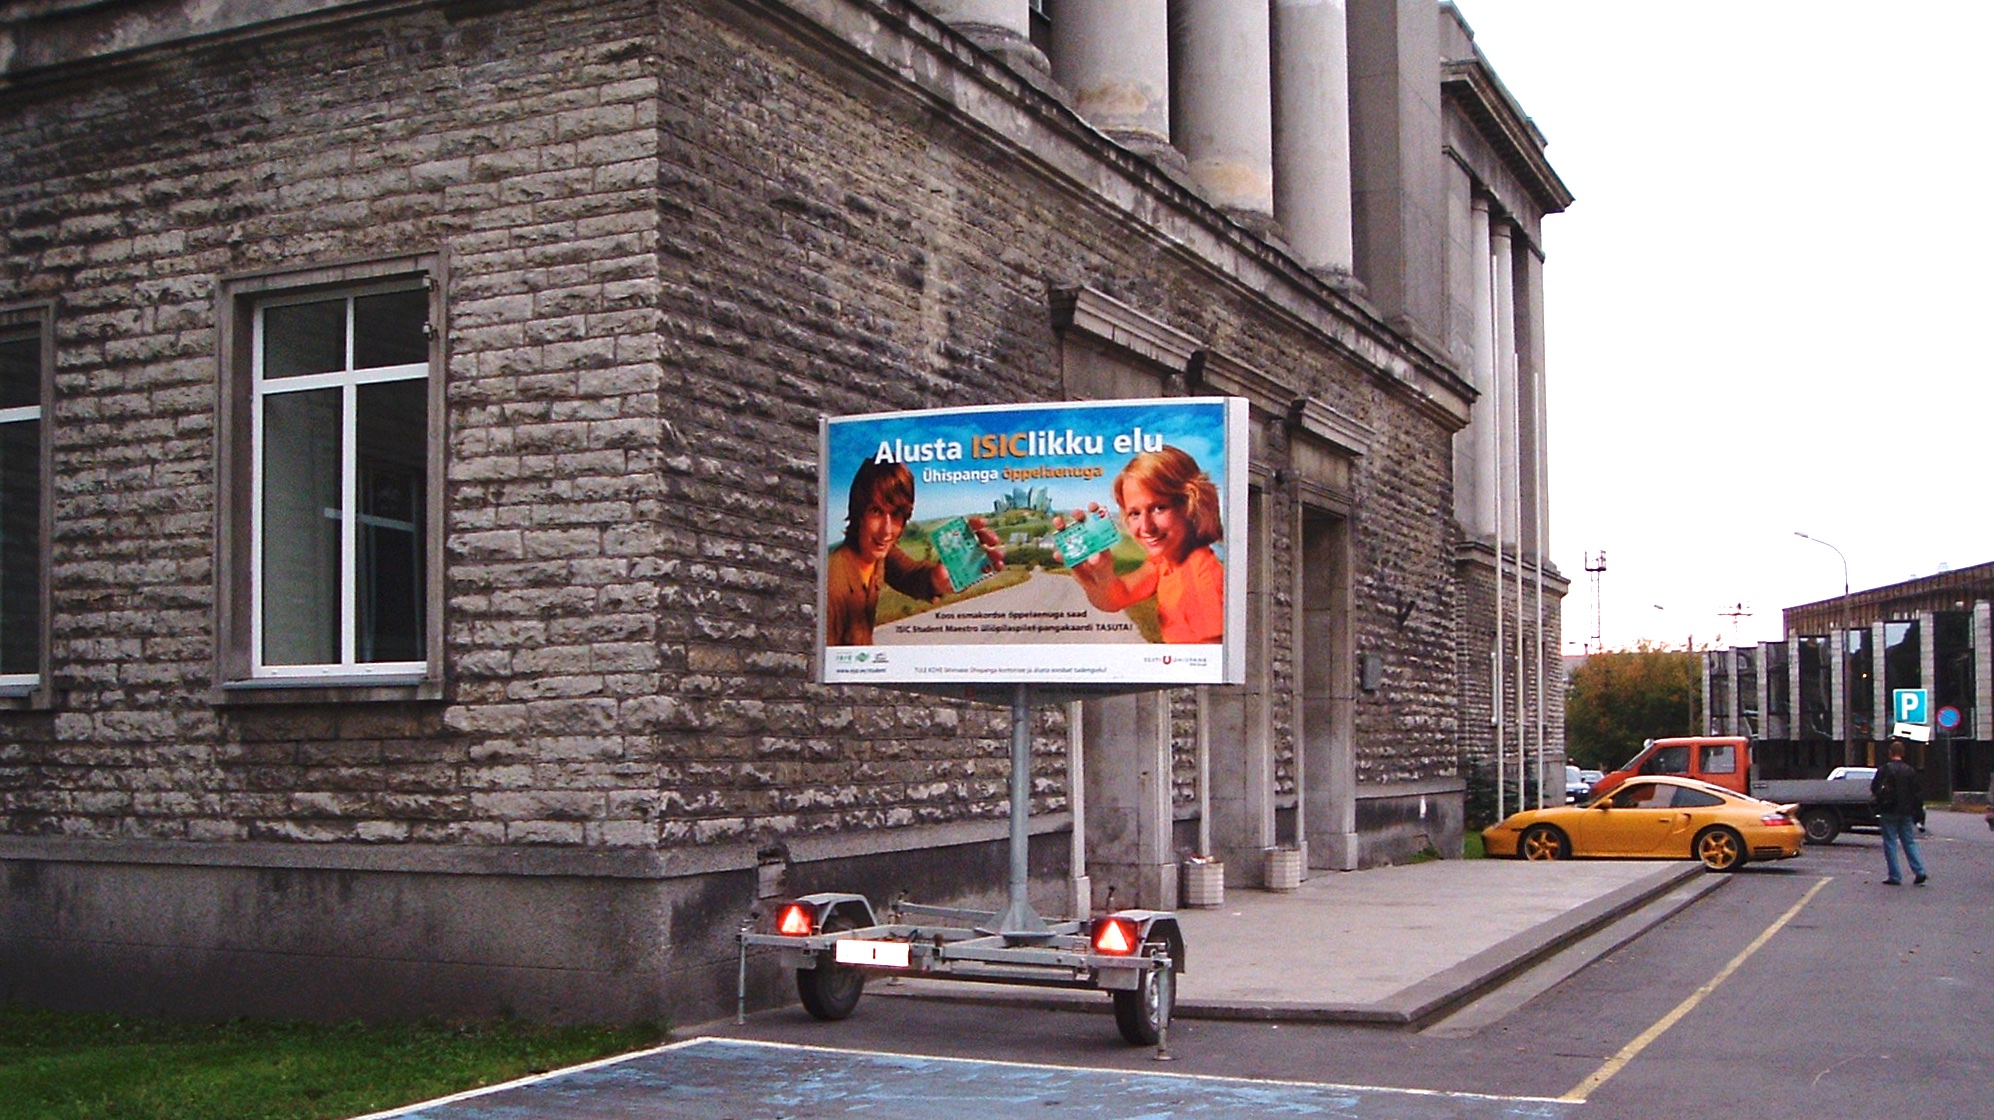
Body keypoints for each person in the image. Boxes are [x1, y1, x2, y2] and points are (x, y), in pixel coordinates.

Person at [824, 456, 1000, 646]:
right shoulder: (831, 586)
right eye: (876, 511)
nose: (887, 531)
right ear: (858, 512)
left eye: (897, 515)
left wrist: (936, 579)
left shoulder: (878, 554)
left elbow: (908, 573)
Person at [1058, 445, 1224, 644]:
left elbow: (1213, 658)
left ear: (1191, 505)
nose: (1146, 527)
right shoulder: (1164, 561)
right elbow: (1116, 598)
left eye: (1159, 508)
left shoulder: (1202, 578)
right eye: (1135, 513)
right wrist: (1097, 578)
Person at [1869, 738, 1929, 886]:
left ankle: (1895, 875)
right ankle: (1919, 871)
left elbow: (1874, 788)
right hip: (1906, 811)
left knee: (1890, 842)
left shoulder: (1884, 770)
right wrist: (1917, 813)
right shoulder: (1910, 771)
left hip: (1888, 810)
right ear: (1903, 753)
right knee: (1909, 841)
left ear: (1890, 752)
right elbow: (1917, 794)